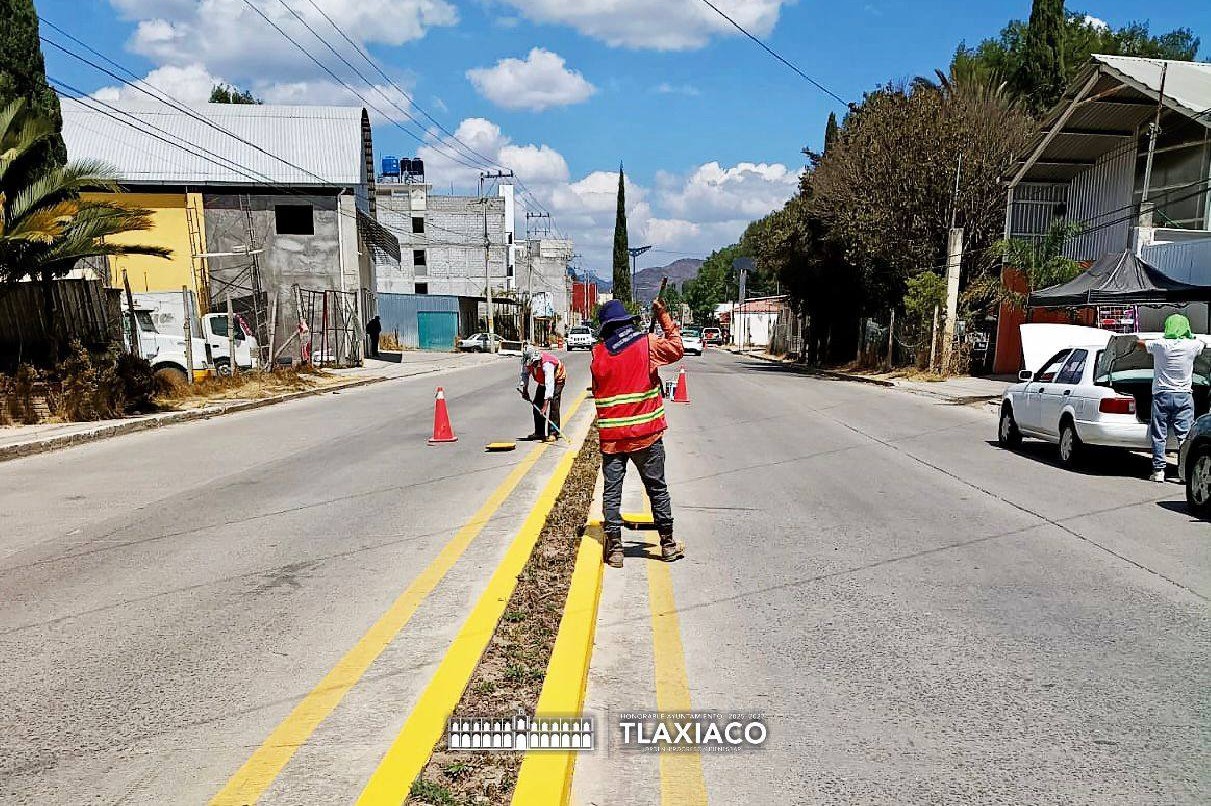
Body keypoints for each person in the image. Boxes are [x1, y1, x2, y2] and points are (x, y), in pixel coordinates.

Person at [591, 298, 684, 569]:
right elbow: (677, 347)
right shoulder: (647, 343)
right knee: (656, 488)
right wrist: (663, 315)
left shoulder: (598, 354)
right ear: (627, 321)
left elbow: (599, 390)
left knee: (612, 492)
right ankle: (667, 544)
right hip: (647, 435)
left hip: (613, 439)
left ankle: (616, 549)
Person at [1139, 313, 1204, 482]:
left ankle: (1159, 471)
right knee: (1185, 436)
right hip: (1184, 396)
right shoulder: (1192, 345)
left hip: (1161, 395)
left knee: (1159, 434)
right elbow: (1202, 343)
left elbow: (1140, 343)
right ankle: (1184, 473)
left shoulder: (1160, 345)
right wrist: (1190, 336)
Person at [518, 345, 566, 441]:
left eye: (535, 363)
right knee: (536, 404)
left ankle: (553, 432)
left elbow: (549, 384)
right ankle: (539, 432)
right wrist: (525, 390)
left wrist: (545, 406)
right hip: (543, 381)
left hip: (557, 378)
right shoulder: (527, 362)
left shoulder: (547, 364)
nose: (533, 365)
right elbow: (525, 375)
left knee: (554, 403)